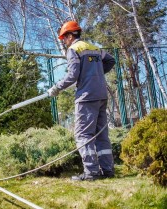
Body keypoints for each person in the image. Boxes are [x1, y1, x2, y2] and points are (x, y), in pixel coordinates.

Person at [48, 21, 115, 181]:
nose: (64, 42)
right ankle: (107, 170)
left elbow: (72, 76)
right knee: (101, 135)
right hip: (101, 94)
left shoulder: (73, 50)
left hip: (86, 96)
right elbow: (111, 60)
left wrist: (56, 88)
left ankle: (91, 172)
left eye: (64, 38)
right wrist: (96, 74)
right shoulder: (94, 48)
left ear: (70, 36)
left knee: (83, 134)